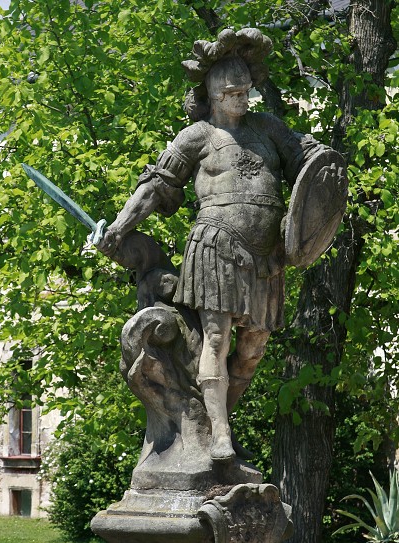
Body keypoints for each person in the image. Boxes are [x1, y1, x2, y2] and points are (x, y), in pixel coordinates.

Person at [97, 29, 326, 461]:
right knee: (216, 339)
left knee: (253, 348)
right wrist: (120, 227)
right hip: (216, 246)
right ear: (215, 95)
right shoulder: (197, 136)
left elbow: (312, 166)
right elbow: (155, 187)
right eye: (233, 93)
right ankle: (219, 435)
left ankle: (218, 424)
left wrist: (325, 163)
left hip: (267, 256)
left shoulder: (269, 128)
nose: (243, 99)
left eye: (246, 91)